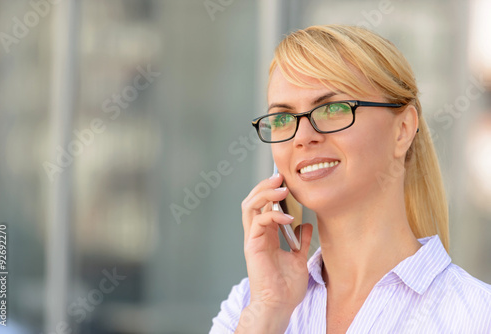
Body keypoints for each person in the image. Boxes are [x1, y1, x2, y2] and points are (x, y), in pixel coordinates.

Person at [210, 24, 491, 333]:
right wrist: (268, 313)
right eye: (283, 118)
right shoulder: (250, 304)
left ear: (403, 130)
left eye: (332, 109)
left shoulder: (476, 316)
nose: (302, 137)